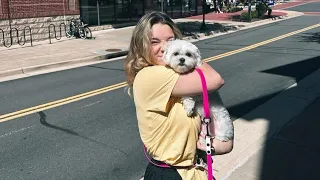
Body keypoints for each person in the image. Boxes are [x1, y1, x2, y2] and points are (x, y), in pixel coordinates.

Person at [124, 11, 233, 180]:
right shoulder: (151, 75)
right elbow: (215, 80)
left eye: (170, 41)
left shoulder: (176, 75)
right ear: (141, 46)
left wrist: (215, 145)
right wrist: (194, 55)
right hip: (171, 174)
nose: (165, 47)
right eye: (154, 42)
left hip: (194, 169)